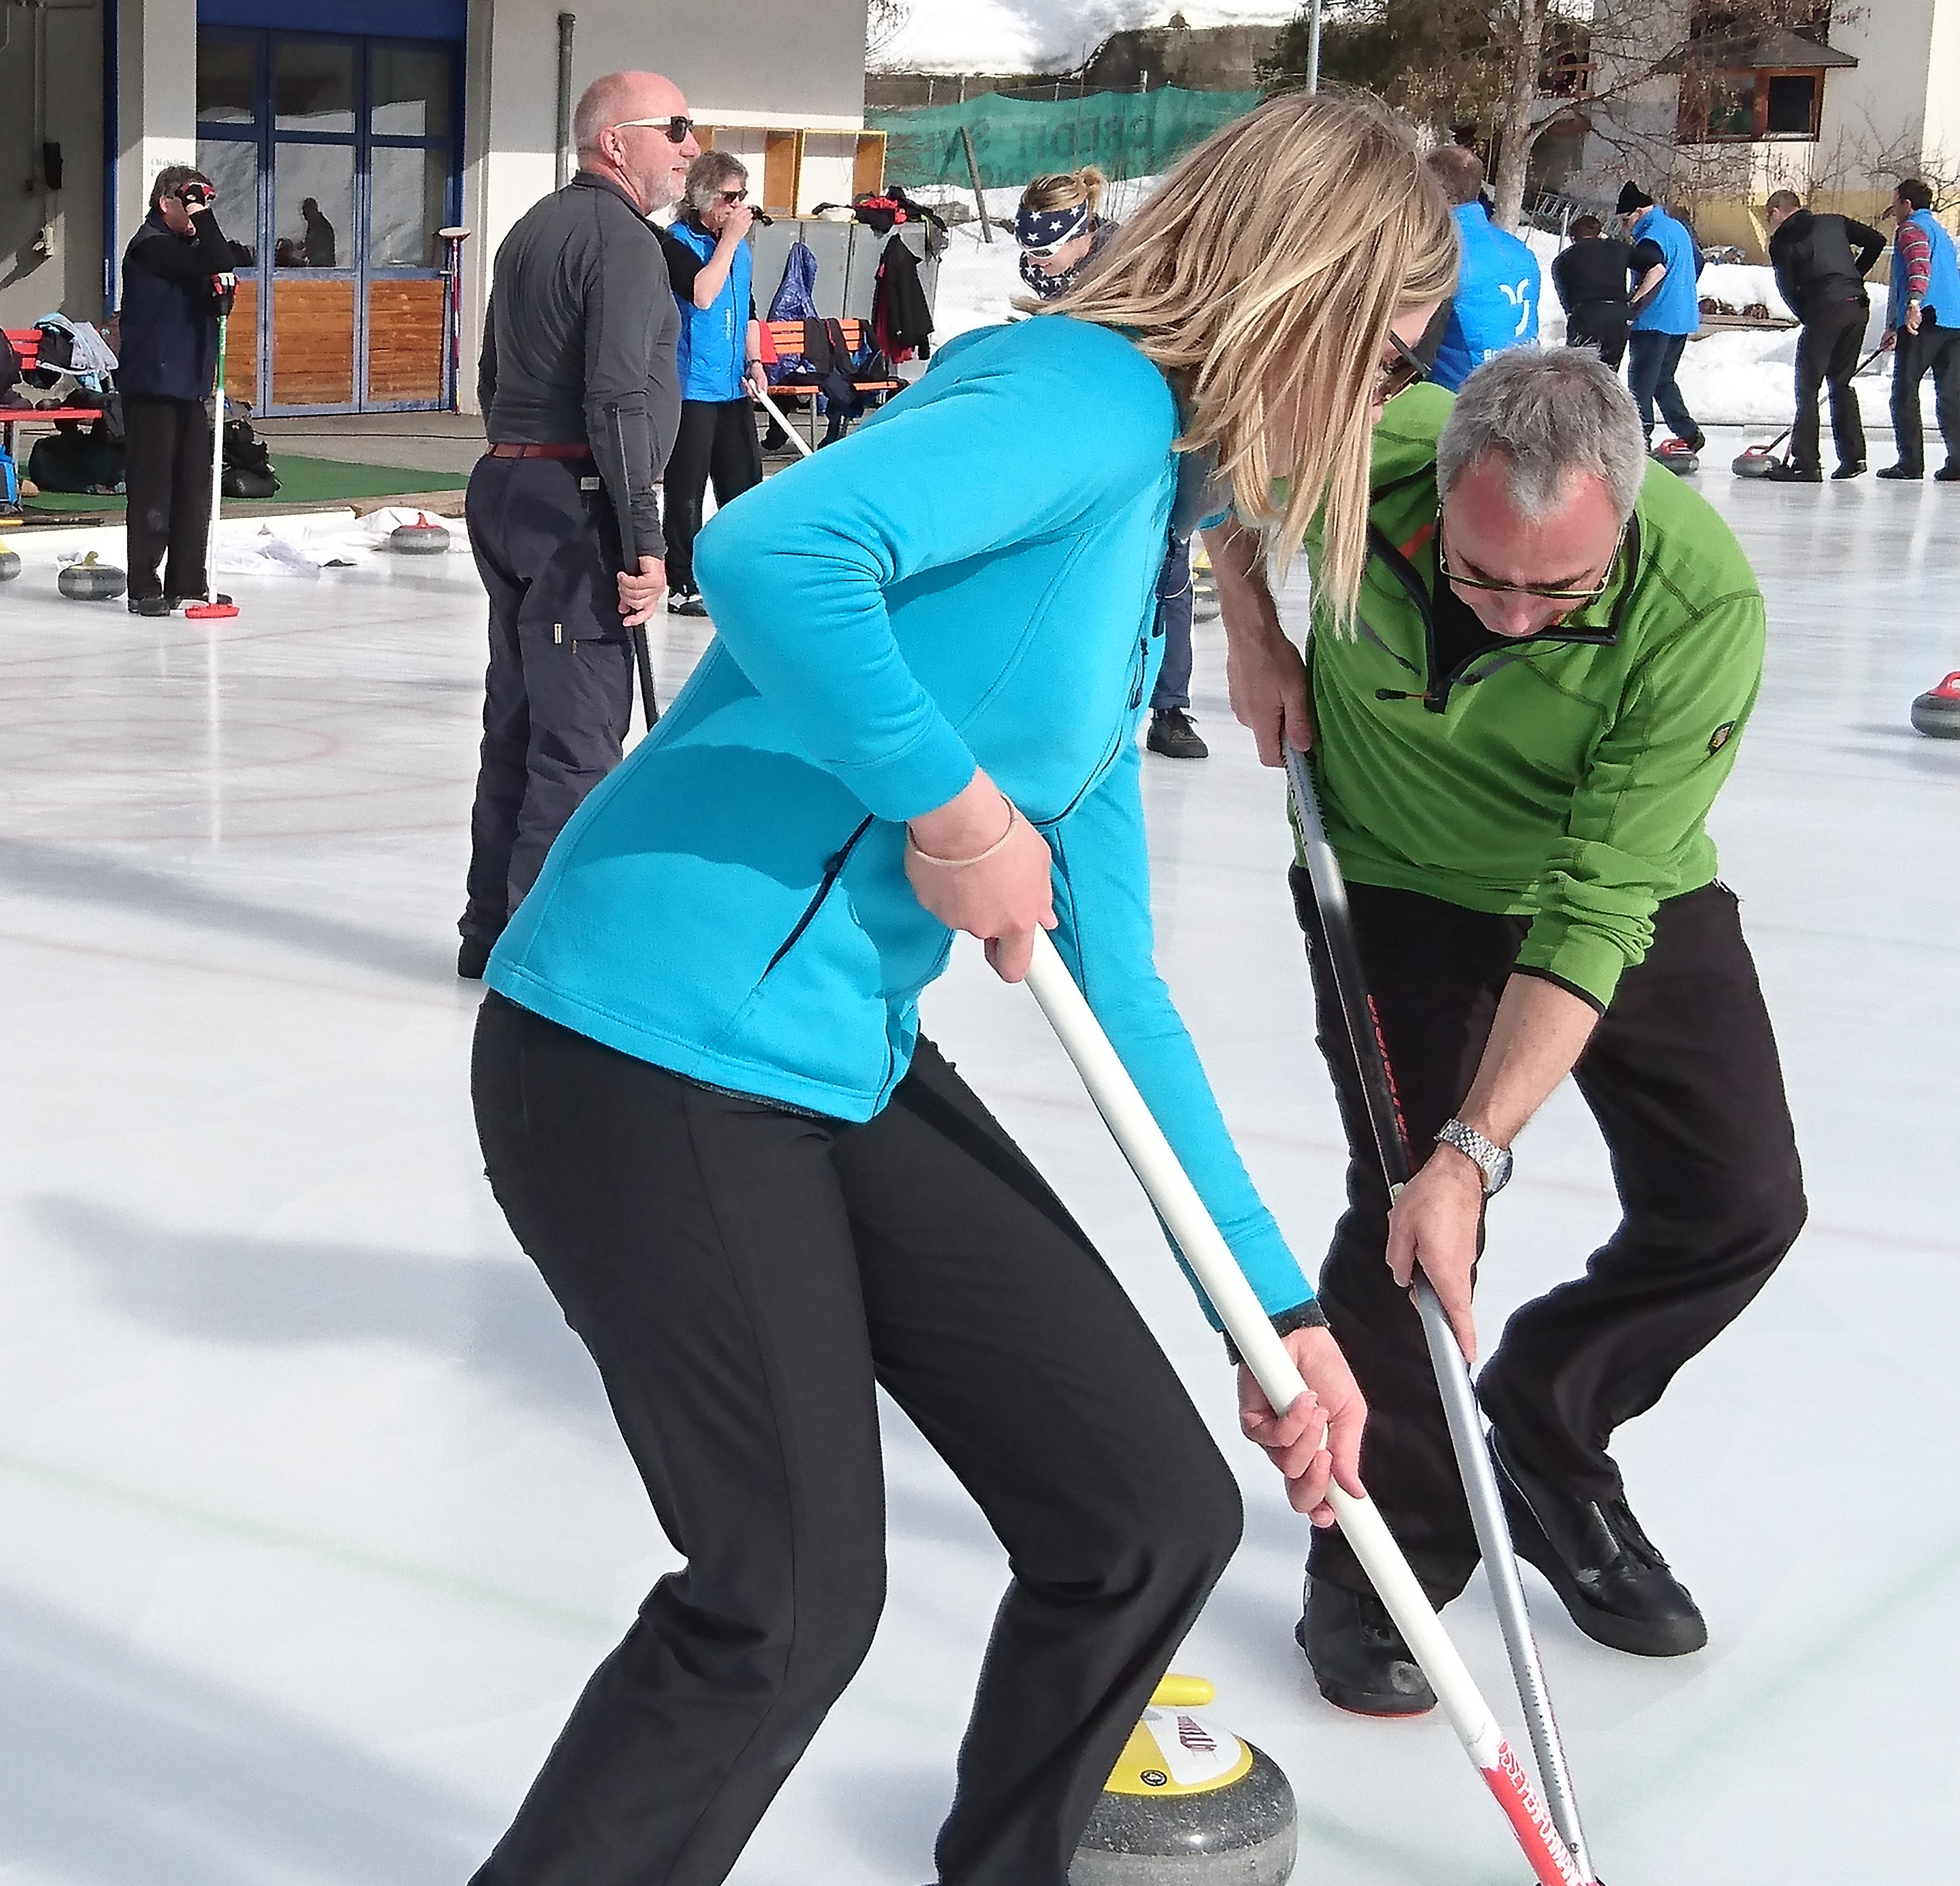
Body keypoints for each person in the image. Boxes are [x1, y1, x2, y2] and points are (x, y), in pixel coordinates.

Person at [465, 92, 1455, 1886]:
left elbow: (1120, 985)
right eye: (1386, 350)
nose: (1386, 396)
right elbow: (774, 554)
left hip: (826, 1049)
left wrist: (1273, 1314)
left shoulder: (1142, 500)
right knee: (785, 1599)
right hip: (641, 1039)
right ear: (1302, 298)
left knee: (1141, 1514)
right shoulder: (1077, 394)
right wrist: (954, 799)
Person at [1208, 349, 1804, 1715]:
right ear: (1438, 487)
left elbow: (1602, 896)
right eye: (1482, 578)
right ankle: (1384, 1559)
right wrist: (1247, 620)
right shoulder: (1361, 452)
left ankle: (1545, 1421)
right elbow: (1220, 463)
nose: (1517, 617)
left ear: (1626, 515)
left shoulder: (1696, 597)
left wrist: (1475, 1148)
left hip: (1606, 880)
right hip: (1393, 875)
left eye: (1558, 587)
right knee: (1402, 1230)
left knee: (1737, 1200)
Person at [456, 70, 694, 981]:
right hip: (572, 501)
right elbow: (619, 398)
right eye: (672, 127)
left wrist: (520, 457)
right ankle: (543, 953)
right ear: (613, 143)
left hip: (514, 485)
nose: (687, 146)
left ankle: (492, 929)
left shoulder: (528, 230)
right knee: (578, 737)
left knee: (517, 723)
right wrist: (644, 539)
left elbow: (490, 372)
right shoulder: (619, 240)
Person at [1013, 168, 1206, 760]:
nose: (1035, 261)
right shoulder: (1050, 270)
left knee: (1166, 563)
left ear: (1082, 232)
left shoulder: (1136, 271)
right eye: (1028, 248)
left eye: (1045, 249)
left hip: (1156, 425)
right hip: (1082, 429)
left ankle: (1170, 707)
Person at [117, 164, 238, 618]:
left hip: (189, 382)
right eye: (189, 206)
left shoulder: (189, 248)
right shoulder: (150, 246)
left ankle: (188, 580)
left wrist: (219, 300)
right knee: (153, 488)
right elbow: (215, 261)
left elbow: (221, 263)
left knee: (193, 486)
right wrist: (202, 221)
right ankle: (144, 585)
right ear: (165, 203)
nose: (196, 217)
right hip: (153, 383)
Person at [657, 151, 768, 619]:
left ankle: (743, 573)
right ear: (704, 198)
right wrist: (728, 243)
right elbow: (702, 295)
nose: (738, 206)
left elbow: (747, 306)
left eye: (742, 196)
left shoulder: (737, 248)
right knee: (686, 490)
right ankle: (682, 581)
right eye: (729, 197)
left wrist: (756, 359)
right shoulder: (676, 244)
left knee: (745, 482)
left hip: (730, 384)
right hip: (690, 387)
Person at [1762, 188, 1884, 482]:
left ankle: (1806, 463)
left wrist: (1809, 314)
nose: (1769, 222)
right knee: (1841, 382)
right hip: (1857, 304)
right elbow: (1877, 241)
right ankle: (1854, 457)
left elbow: (1787, 287)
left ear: (1778, 211)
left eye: (1769, 216)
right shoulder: (1834, 222)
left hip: (1824, 308)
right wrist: (1854, 276)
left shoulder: (1783, 240)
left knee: (1807, 385)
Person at [1424, 145, 1540, 394]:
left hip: (1457, 401)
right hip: (1520, 391)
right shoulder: (1521, 252)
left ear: (1434, 190)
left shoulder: (1438, 253)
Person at [1878, 178, 1960, 481]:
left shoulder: (1912, 229)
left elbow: (1918, 267)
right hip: (1954, 321)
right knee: (1951, 394)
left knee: (1904, 391)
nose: (1894, 208)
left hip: (1925, 318)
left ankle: (1910, 462)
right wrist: (1891, 325)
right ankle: (1958, 461)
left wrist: (1913, 305)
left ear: (1907, 205)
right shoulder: (1943, 232)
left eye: (1896, 202)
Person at [1619, 182, 1705, 460]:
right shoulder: (1677, 229)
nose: (1625, 227)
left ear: (1640, 211)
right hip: (1682, 318)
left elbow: (1655, 268)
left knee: (1641, 384)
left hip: (1654, 321)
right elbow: (1699, 262)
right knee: (1663, 381)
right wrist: (1682, 290)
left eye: (1625, 220)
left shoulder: (1651, 236)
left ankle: (1639, 442)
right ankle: (1689, 433)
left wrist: (1635, 301)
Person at [1549, 213, 1632, 369]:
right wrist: (1635, 298)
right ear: (1600, 235)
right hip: (1619, 315)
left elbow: (1566, 299)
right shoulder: (1619, 248)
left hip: (1586, 316)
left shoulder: (1563, 260)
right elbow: (1654, 266)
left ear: (1573, 239)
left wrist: (1572, 315)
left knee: (1577, 372)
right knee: (1609, 372)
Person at [299, 197, 336, 268]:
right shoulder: (314, 224)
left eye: (306, 211)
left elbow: (320, 249)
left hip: (322, 267)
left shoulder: (321, 226)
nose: (304, 214)